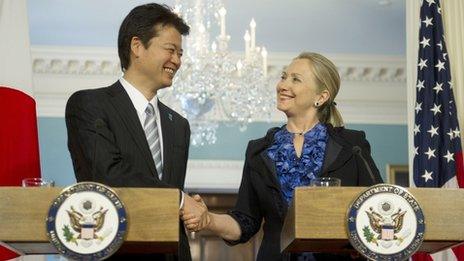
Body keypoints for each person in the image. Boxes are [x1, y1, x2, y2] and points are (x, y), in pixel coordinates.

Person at [182, 52, 383, 260]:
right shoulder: (259, 151)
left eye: (295, 79)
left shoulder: (352, 146)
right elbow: (245, 222)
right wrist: (209, 219)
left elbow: (379, 206)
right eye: (283, 76)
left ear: (321, 97)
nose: (282, 85)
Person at [65, 3, 207, 260]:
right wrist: (180, 200)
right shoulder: (89, 105)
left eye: (181, 53)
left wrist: (189, 208)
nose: (177, 60)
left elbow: (166, 190)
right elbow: (106, 174)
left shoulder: (179, 125)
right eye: (171, 50)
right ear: (137, 46)